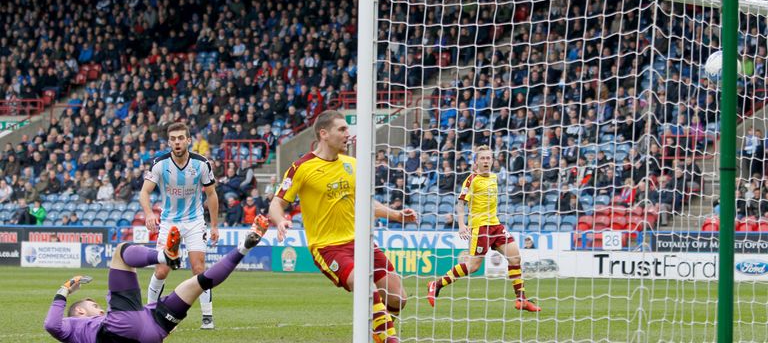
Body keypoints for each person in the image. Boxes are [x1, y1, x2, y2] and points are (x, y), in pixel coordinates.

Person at [269, 110, 417, 343]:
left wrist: (397, 215)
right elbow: (276, 204)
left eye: (348, 129)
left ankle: (377, 334)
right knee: (363, 284)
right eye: (343, 129)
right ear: (324, 134)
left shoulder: (352, 164)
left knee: (398, 298)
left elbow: (366, 203)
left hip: (360, 243)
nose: (348, 134)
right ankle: (390, 339)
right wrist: (280, 220)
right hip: (328, 247)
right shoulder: (302, 168)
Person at [44, 218, 268, 343]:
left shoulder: (77, 331)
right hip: (123, 327)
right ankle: (162, 256)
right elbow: (51, 325)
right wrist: (64, 290)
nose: (100, 309)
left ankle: (244, 247)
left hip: (153, 330)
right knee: (121, 250)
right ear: (80, 312)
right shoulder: (73, 326)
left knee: (198, 283)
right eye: (94, 306)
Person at [427, 145, 540, 312]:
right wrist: (461, 224)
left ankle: (521, 299)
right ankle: (436, 284)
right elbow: (460, 202)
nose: (486, 161)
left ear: (492, 160)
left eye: (488, 158)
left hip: (495, 225)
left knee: (515, 258)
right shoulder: (472, 180)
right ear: (476, 162)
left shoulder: (494, 177)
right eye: (482, 158)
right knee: (473, 267)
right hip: (480, 227)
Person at [139, 122, 220, 329]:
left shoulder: (202, 164)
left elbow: (211, 194)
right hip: (169, 223)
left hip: (194, 222)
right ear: (169, 142)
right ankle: (149, 311)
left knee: (198, 268)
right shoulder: (159, 164)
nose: (177, 142)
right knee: (162, 271)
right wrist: (149, 213)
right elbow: (144, 192)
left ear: (188, 140)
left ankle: (207, 317)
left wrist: (214, 226)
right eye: (173, 139)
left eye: (181, 138)